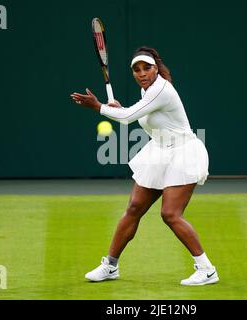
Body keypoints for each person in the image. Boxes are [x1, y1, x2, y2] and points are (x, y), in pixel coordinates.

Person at [70, 46, 218, 286]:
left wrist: (99, 107)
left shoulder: (161, 89)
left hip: (183, 153)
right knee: (135, 207)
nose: (141, 73)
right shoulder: (147, 90)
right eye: (136, 69)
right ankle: (110, 265)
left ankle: (207, 269)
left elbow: (128, 118)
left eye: (146, 68)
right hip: (159, 151)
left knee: (170, 214)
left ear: (156, 68)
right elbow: (134, 114)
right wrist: (117, 110)